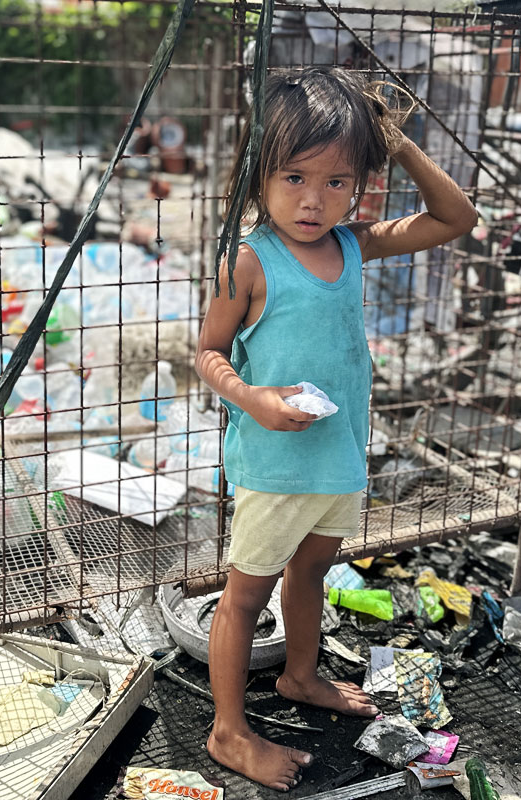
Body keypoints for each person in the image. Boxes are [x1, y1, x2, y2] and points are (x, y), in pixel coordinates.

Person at [195, 66, 477, 792]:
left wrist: (400, 147)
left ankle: (298, 676)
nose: (314, 200)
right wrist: (249, 398)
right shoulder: (250, 260)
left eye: (338, 182)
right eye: (293, 177)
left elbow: (455, 218)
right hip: (275, 464)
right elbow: (208, 353)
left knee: (313, 571)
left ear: (359, 186)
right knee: (244, 597)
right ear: (260, 174)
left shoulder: (354, 245)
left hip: (337, 458)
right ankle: (229, 730)